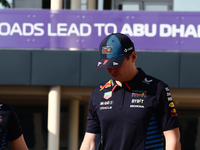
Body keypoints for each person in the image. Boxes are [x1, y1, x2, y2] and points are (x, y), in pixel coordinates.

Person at [80, 33, 181, 150]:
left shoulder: (157, 89)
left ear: (133, 57)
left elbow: (173, 140)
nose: (111, 70)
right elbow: (89, 143)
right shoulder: (98, 93)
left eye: (116, 64)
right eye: (107, 66)